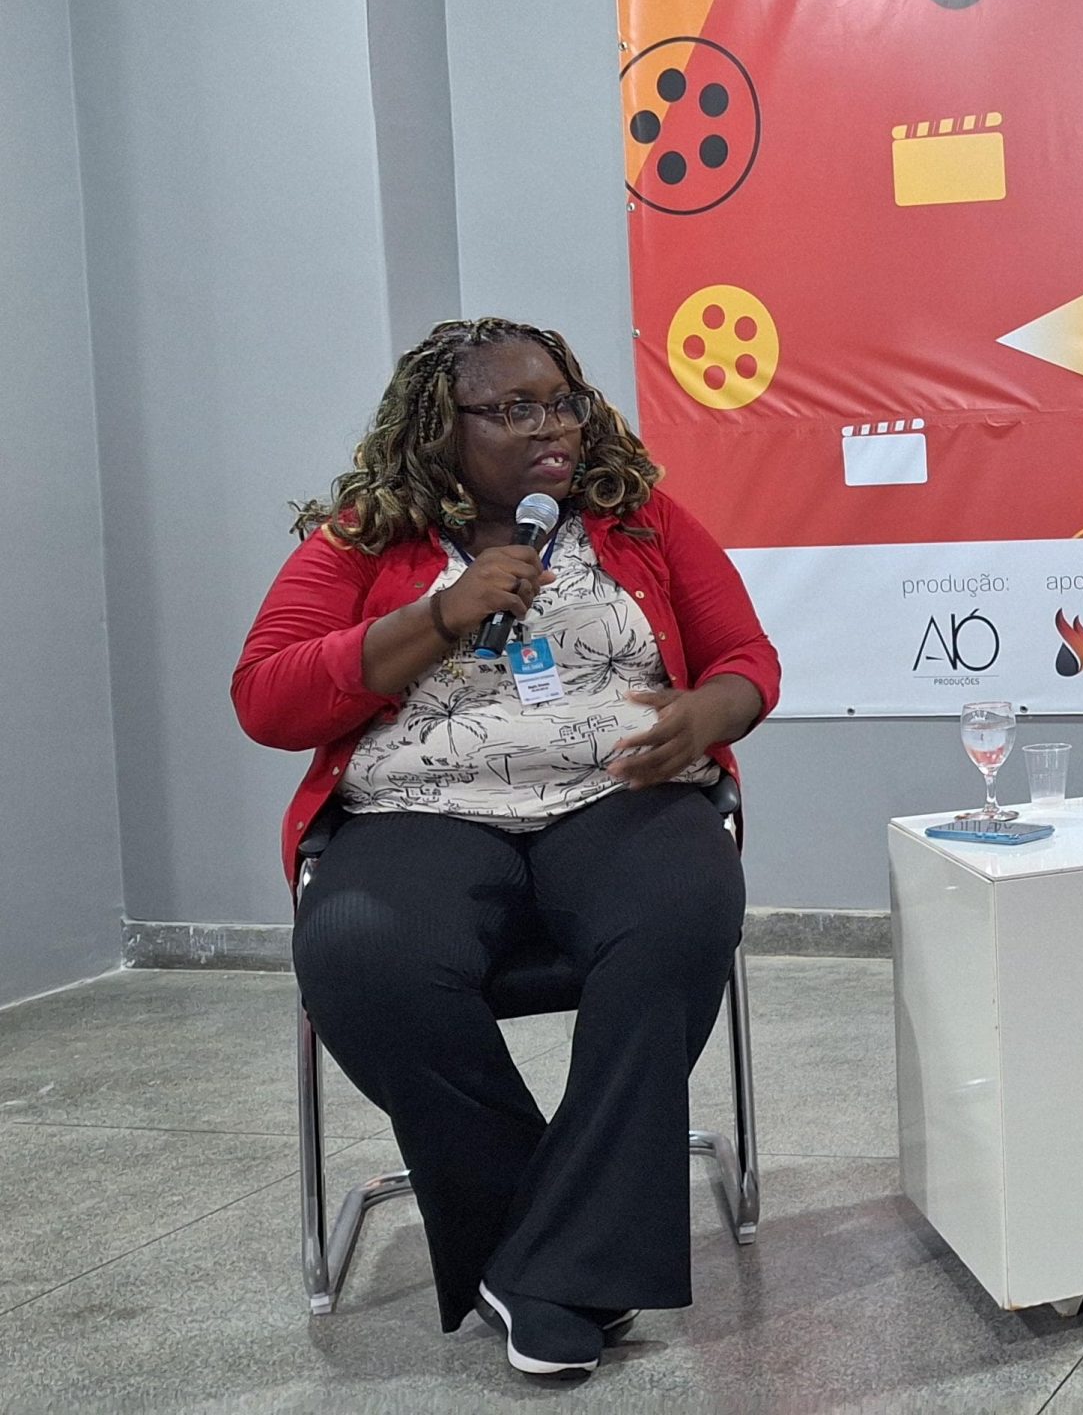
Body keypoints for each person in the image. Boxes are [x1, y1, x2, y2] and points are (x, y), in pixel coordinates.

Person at [233, 318, 779, 1380]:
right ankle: (559, 1247)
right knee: (359, 952)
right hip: (418, 810)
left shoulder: (640, 519)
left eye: (561, 402)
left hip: (619, 790)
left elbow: (744, 656)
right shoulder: (364, 539)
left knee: (679, 914)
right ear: (441, 427)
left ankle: (537, 1262)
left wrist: (710, 713)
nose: (551, 427)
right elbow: (266, 697)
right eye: (514, 409)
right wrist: (441, 614)